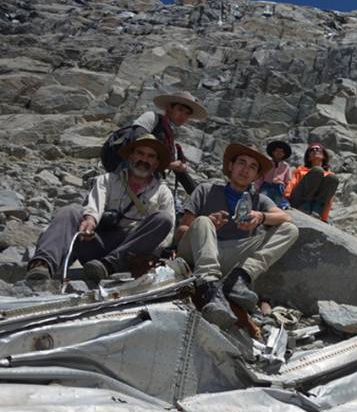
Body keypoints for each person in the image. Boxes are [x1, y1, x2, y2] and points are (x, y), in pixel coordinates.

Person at [176, 143, 299, 329]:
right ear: (231, 166)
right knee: (202, 221)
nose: (245, 170)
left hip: (231, 256)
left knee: (290, 230)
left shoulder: (259, 200)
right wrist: (207, 224)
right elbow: (180, 232)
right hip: (197, 253)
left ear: (257, 176)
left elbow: (286, 217)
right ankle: (208, 289)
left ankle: (239, 279)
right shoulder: (206, 190)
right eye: (242, 163)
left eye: (252, 167)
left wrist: (260, 216)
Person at [26, 135, 175, 283]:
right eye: (140, 153)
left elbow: (167, 235)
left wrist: (149, 255)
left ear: (156, 163)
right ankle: (42, 265)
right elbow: (95, 205)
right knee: (71, 211)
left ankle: (108, 266)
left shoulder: (163, 192)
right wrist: (90, 220)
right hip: (97, 240)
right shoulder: (107, 180)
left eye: (150, 156)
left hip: (130, 253)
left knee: (163, 219)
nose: (144, 159)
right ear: (131, 156)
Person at [133, 91, 208, 195]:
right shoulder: (151, 118)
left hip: (148, 188)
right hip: (129, 179)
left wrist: (200, 198)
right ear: (169, 107)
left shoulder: (171, 141)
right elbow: (136, 142)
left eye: (187, 113)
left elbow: (180, 174)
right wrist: (169, 165)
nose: (183, 116)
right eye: (180, 109)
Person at [284, 142, 339, 221]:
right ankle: (305, 208)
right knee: (317, 171)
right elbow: (291, 184)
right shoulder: (300, 170)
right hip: (298, 201)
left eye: (318, 149)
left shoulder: (329, 175)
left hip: (316, 207)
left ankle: (316, 212)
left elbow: (328, 200)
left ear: (323, 156)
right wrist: (285, 200)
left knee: (333, 178)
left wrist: (324, 218)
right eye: (312, 150)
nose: (315, 150)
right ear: (309, 158)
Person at [254, 140, 292, 208]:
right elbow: (260, 177)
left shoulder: (286, 166)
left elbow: (288, 180)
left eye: (281, 151)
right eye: (277, 151)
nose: (279, 153)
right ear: (273, 152)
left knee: (279, 199)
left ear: (284, 154)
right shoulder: (267, 163)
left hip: (279, 187)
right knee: (263, 197)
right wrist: (257, 188)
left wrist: (287, 191)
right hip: (267, 185)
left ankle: (282, 205)